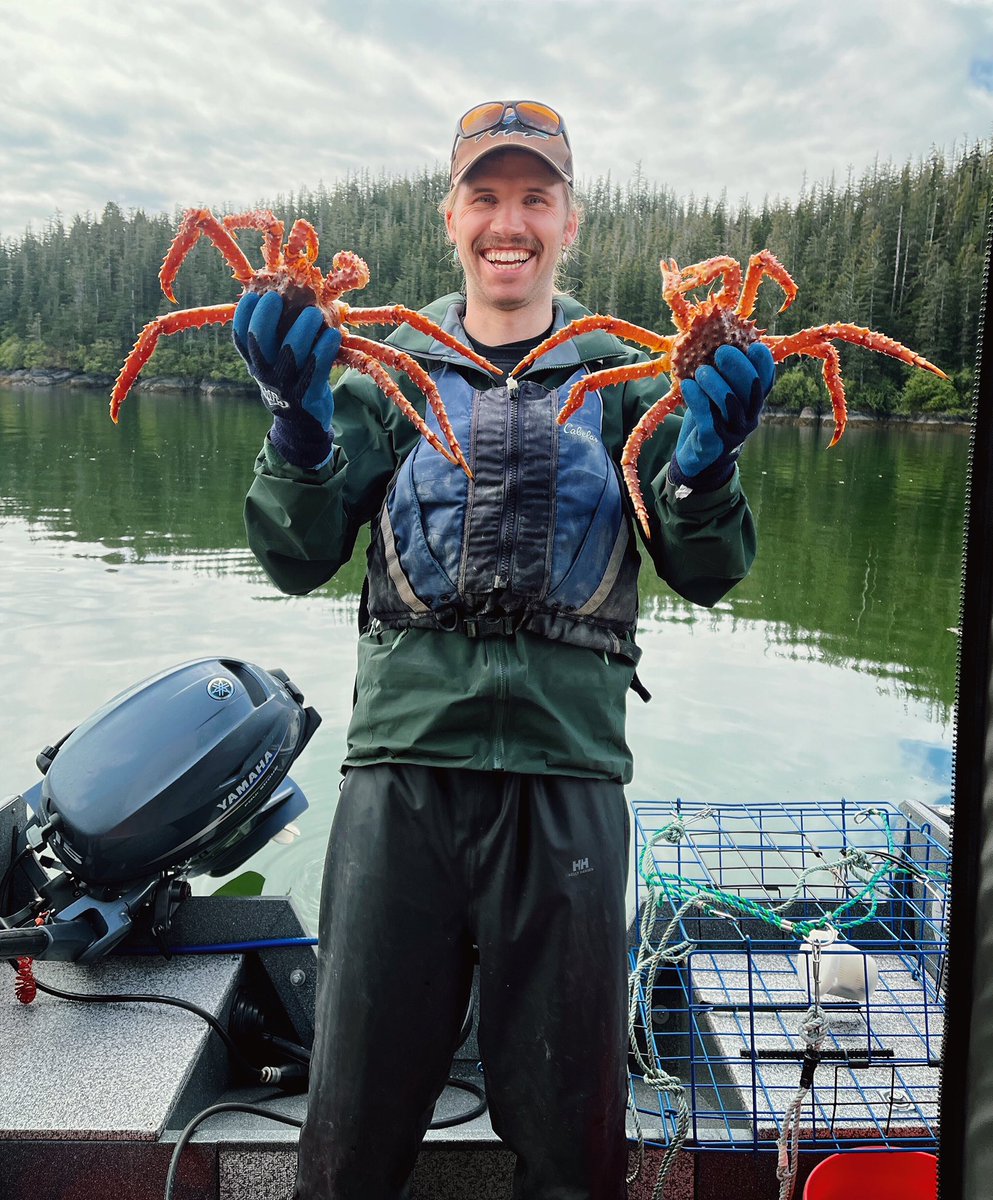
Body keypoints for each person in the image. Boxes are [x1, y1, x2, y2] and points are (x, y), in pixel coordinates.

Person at [234, 100, 775, 1200]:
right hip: (402, 778)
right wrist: (294, 421)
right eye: (487, 196)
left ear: (569, 221)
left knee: (575, 1143)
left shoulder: (632, 374)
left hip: (568, 782)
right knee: (348, 1134)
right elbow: (296, 554)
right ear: (452, 217)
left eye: (535, 197)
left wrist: (706, 468)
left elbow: (707, 566)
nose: (509, 221)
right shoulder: (384, 364)